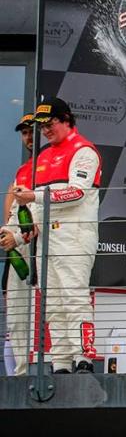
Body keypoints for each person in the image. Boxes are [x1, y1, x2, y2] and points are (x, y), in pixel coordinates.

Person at [13, 97, 101, 374]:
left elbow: (78, 193)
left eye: (50, 124)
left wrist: (35, 196)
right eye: (42, 127)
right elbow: (31, 205)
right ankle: (61, 363)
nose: (46, 131)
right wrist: (17, 228)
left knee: (74, 297)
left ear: (66, 120)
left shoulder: (84, 150)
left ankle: (84, 359)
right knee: (51, 303)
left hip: (75, 236)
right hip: (46, 240)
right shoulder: (42, 157)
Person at [0, 113, 35, 375]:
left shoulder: (55, 164)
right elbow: (10, 215)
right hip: (19, 249)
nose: (29, 137)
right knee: (15, 316)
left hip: (45, 248)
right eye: (24, 133)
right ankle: (18, 375)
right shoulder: (22, 171)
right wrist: (8, 235)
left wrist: (20, 236)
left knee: (48, 310)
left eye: (33, 131)